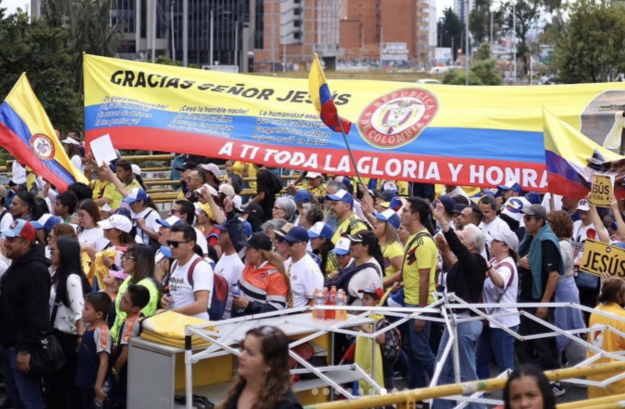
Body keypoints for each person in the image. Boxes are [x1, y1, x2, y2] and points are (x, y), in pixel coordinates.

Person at [432, 200, 488, 409]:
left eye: (461, 237)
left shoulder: (476, 261)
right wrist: (445, 248)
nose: (457, 238)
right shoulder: (467, 264)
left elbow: (457, 250)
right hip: (455, 320)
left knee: (466, 375)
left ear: (471, 245)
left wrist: (443, 222)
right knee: (442, 369)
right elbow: (455, 263)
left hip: (464, 322)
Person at [0, 220, 50, 409]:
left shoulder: (36, 270)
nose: (6, 243)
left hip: (21, 348)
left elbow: (37, 317)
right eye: (6, 238)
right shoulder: (18, 263)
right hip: (8, 344)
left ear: (26, 243)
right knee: (16, 396)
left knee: (29, 400)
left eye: (12, 240)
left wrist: (26, 350)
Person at [516, 204, 564, 396]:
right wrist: (519, 260)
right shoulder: (529, 238)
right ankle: (532, 380)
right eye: (524, 218)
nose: (525, 222)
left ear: (539, 221)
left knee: (543, 343)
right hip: (526, 299)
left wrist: (544, 303)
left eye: (529, 219)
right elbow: (519, 255)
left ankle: (555, 383)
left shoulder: (547, 241)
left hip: (539, 301)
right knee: (522, 342)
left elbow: (554, 275)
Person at [397, 197, 437, 391]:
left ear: (415, 215)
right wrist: (402, 282)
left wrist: (421, 312)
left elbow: (425, 277)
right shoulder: (414, 237)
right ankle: (417, 389)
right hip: (410, 300)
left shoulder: (423, 241)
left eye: (404, 211)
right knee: (411, 349)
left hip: (419, 304)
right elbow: (414, 272)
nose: (401, 214)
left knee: (421, 350)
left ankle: (443, 386)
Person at [47, 237, 91, 409]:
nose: (50, 253)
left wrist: (79, 338)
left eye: (53, 250)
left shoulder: (71, 278)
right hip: (55, 334)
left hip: (68, 339)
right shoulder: (54, 272)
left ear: (64, 254)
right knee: (54, 386)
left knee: (66, 386)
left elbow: (80, 311)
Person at [217, 326, 302, 409]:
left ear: (269, 364)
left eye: (250, 353)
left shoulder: (287, 405)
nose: (241, 356)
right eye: (243, 349)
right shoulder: (238, 389)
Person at [475, 228, 519, 381]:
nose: (491, 242)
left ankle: (513, 400)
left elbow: (500, 282)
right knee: (480, 359)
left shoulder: (507, 265)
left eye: (496, 241)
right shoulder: (495, 261)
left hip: (503, 322)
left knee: (505, 365)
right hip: (491, 319)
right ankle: (480, 395)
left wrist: (486, 266)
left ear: (506, 247)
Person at [547, 210, 586, 368]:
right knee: (567, 331)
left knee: (566, 332)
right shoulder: (563, 243)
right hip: (566, 289)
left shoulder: (562, 245)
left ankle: (585, 369)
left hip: (563, 291)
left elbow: (554, 270)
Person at [160, 224, 213, 320]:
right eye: (169, 242)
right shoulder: (175, 263)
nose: (171, 247)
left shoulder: (201, 267)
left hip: (194, 327)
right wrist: (165, 298)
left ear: (191, 245)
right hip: (176, 323)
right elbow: (177, 292)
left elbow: (202, 305)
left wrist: (172, 312)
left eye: (175, 244)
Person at [110, 244, 160, 340]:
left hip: (128, 341)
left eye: (128, 257)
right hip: (117, 337)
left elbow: (136, 320)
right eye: (124, 256)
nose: (123, 260)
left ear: (140, 261)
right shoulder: (129, 278)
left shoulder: (147, 287)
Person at [233, 233, 291, 316]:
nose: (245, 252)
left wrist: (249, 305)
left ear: (259, 252)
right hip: (239, 323)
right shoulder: (249, 265)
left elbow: (276, 310)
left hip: (256, 327)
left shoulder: (275, 276)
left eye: (248, 248)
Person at [587, 277, 625, 398]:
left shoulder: (596, 310)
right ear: (619, 296)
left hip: (595, 377)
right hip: (617, 381)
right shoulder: (621, 318)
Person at [111, 284, 150, 402]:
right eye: (122, 297)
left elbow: (125, 354)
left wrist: (115, 370)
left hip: (127, 371)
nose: (121, 302)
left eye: (125, 301)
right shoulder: (139, 316)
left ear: (136, 309)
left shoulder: (130, 324)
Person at [76, 292, 113, 409]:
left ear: (99, 314)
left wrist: (98, 386)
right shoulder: (90, 326)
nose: (82, 311)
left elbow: (104, 361)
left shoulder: (101, 332)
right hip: (85, 382)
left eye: (86, 309)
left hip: (94, 385)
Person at [328, 231, 384, 303]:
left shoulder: (371, 272)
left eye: (354, 243)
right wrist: (337, 275)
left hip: (358, 311)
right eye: (351, 243)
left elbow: (370, 303)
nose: (351, 246)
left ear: (365, 247)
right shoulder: (353, 260)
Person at [282, 227, 323, 307]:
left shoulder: (310, 268)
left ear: (303, 245)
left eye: (291, 243)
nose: (287, 246)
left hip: (298, 316)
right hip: (283, 315)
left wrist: (301, 316)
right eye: (286, 242)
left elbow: (316, 300)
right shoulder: (287, 263)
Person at [214, 224, 245, 319]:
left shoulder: (238, 265)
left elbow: (239, 298)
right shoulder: (224, 255)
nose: (219, 234)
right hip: (217, 315)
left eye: (223, 232)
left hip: (228, 319)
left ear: (233, 239)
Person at [372, 208, 404, 288]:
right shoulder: (375, 244)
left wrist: (382, 284)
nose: (375, 224)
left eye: (380, 222)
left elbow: (402, 271)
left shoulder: (394, 247)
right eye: (376, 220)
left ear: (389, 227)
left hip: (386, 293)